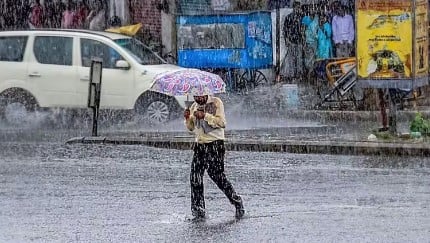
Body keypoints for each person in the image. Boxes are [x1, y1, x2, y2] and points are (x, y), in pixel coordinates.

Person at [184, 94, 245, 220]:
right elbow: (191, 128)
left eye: (201, 97)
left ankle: (237, 201)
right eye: (196, 96)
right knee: (195, 178)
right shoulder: (194, 106)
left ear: (206, 94)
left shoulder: (216, 103)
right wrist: (187, 118)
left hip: (215, 145)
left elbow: (222, 123)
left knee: (217, 177)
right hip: (200, 145)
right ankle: (198, 211)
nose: (198, 99)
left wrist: (205, 116)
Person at [281, 1, 304, 82]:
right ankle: (293, 76)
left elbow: (303, 30)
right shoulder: (289, 17)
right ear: (294, 8)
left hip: (299, 41)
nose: (298, 9)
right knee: (292, 60)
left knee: (299, 60)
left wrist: (303, 40)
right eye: (297, 7)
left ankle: (299, 75)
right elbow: (285, 30)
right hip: (292, 41)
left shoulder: (301, 17)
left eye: (299, 7)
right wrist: (286, 40)